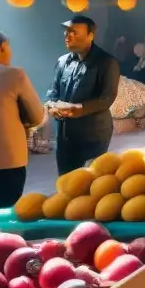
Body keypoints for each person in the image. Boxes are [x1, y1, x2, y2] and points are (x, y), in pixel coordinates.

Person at [0, 28, 44, 218]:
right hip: (6, 162)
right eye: (7, 47)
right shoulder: (14, 75)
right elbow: (37, 116)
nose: (11, 52)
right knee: (5, 219)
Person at [44, 16, 120, 175]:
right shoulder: (62, 61)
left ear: (90, 35)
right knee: (65, 181)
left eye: (74, 32)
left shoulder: (106, 62)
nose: (67, 36)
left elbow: (107, 98)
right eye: (66, 32)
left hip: (94, 135)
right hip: (65, 135)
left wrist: (79, 109)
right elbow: (53, 91)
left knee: (90, 182)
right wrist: (51, 105)